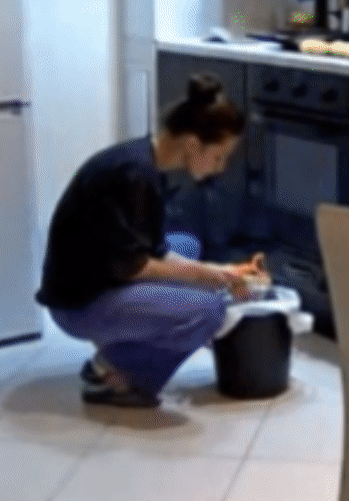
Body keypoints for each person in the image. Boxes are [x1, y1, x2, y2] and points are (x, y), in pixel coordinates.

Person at [35, 73, 270, 408]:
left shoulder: (143, 161)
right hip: (79, 305)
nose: (221, 168)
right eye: (219, 156)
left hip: (96, 281)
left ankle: (116, 355)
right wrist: (212, 276)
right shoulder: (134, 175)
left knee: (186, 245)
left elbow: (151, 251)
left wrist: (221, 271)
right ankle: (116, 373)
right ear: (193, 145)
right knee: (209, 311)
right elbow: (134, 267)